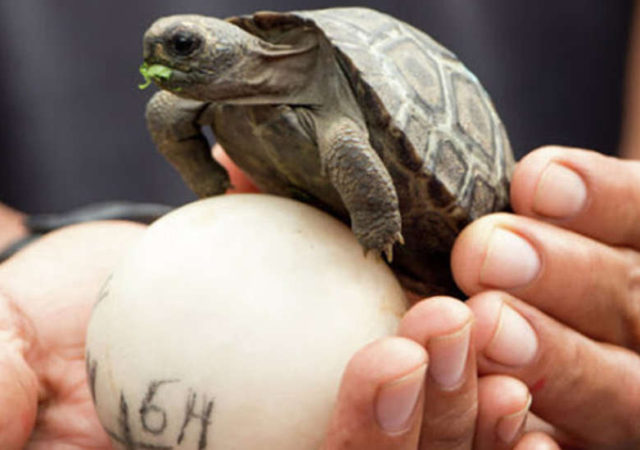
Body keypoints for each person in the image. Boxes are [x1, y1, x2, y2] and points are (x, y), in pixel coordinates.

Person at [1, 2, 639, 449]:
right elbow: (169, 118)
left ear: (231, 49)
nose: (161, 59)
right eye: (162, 51)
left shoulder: (324, 91)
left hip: (465, 243)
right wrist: (20, 249)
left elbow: (350, 146)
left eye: (183, 48)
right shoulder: (200, 95)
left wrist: (374, 228)